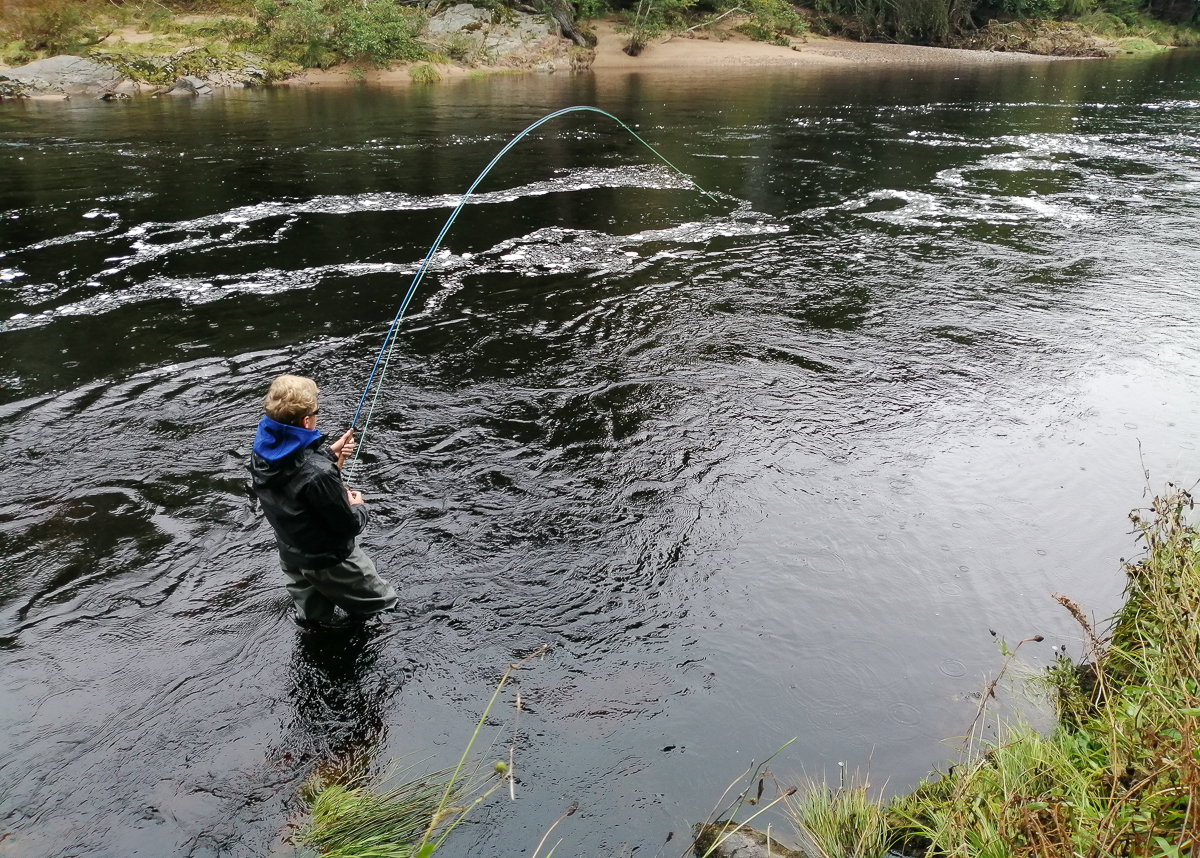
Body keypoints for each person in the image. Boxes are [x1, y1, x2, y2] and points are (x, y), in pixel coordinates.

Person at [249, 374, 397, 629]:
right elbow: (348, 525)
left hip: (291, 556)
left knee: (314, 621)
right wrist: (358, 504)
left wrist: (328, 453)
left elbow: (293, 475)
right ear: (307, 421)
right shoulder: (320, 473)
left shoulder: (261, 452)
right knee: (384, 608)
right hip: (330, 561)